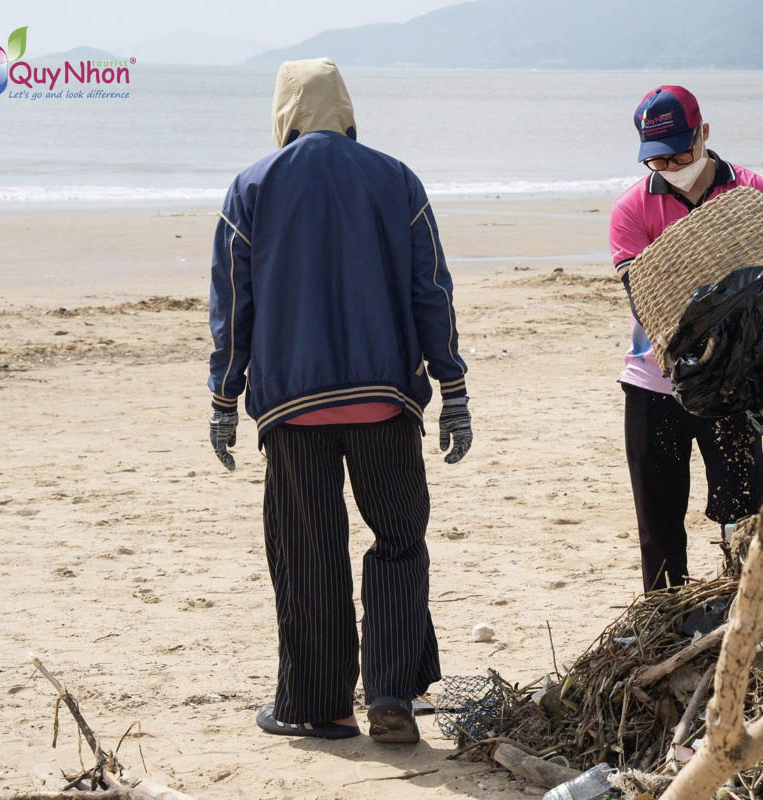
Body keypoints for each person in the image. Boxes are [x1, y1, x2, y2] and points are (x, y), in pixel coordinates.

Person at [205, 58, 472, 744]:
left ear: (283, 116)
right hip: (385, 400)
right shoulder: (396, 178)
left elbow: (234, 305)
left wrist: (224, 398)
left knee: (309, 551)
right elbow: (430, 291)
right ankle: (391, 693)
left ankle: (320, 708)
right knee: (399, 543)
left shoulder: (251, 187)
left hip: (293, 408)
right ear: (347, 112)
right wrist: (453, 387)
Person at [609, 85, 763, 592]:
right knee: (659, 527)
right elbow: (647, 296)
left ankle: (744, 610)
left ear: (704, 133)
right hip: (652, 384)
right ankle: (664, 627)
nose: (670, 166)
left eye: (680, 153)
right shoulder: (632, 209)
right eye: (657, 160)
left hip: (732, 386)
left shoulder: (751, 194)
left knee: (741, 514)